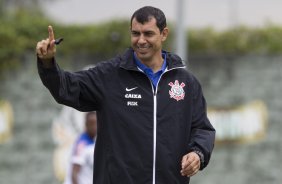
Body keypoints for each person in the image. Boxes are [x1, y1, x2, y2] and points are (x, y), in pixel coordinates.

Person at [36, 6, 215, 184]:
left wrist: (197, 154)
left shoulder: (186, 82)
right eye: (135, 33)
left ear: (164, 34)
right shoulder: (109, 76)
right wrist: (47, 64)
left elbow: (202, 129)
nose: (141, 40)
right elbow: (67, 88)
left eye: (148, 33)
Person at [64, 111, 97, 184]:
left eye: (95, 123)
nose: (94, 127)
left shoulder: (93, 142)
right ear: (86, 124)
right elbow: (74, 173)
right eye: (91, 123)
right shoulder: (82, 144)